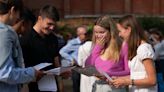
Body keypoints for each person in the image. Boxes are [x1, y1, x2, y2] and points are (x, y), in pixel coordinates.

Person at [0, 0, 43, 92]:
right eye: (18, 13)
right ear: (12, 10)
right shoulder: (5, 33)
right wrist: (32, 73)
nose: (18, 17)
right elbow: (4, 73)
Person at [20, 5, 60, 92]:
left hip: (52, 86)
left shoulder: (53, 38)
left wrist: (62, 75)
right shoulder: (26, 39)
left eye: (54, 25)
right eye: (49, 24)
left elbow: (56, 61)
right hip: (32, 87)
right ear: (39, 19)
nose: (52, 28)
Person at [112, 15, 157, 92]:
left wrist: (127, 81)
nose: (119, 35)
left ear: (129, 29)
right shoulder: (137, 48)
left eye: (120, 31)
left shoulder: (143, 48)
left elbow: (152, 80)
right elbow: (138, 75)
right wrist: (120, 79)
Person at [85, 15, 130, 92]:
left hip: (115, 88)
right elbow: (87, 66)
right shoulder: (97, 47)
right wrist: (98, 48)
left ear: (111, 32)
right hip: (98, 86)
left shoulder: (123, 46)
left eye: (102, 32)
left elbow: (129, 72)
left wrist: (107, 74)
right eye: (96, 32)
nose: (98, 36)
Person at [59, 25, 88, 92]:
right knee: (76, 86)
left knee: (83, 86)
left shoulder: (85, 42)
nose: (86, 35)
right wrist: (71, 59)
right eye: (84, 34)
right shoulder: (73, 42)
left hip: (84, 67)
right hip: (76, 67)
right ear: (79, 34)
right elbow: (62, 51)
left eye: (86, 34)